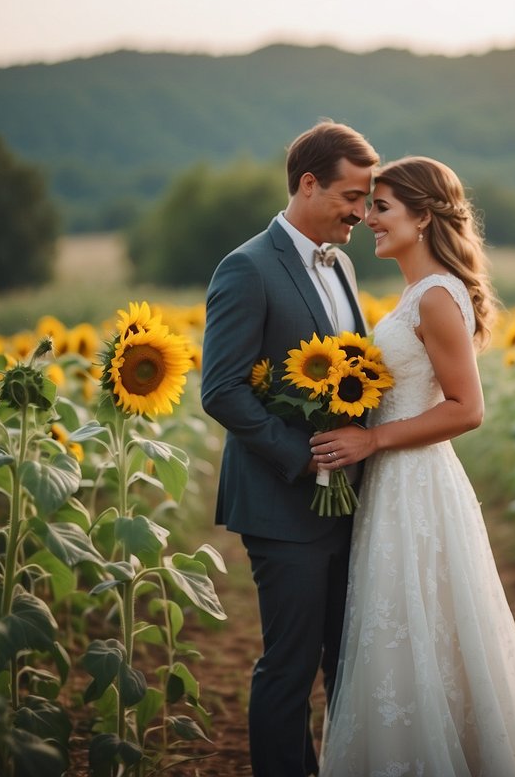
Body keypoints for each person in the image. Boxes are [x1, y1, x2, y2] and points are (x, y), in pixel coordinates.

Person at [309, 157, 515, 776]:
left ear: (423, 217)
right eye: (368, 205)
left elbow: (467, 409)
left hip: (416, 482)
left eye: (382, 207)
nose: (367, 217)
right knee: (407, 633)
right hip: (394, 481)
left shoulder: (434, 297)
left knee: (421, 625)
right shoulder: (417, 293)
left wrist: (372, 442)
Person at [200, 120, 379, 777]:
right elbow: (220, 390)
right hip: (281, 503)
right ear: (308, 184)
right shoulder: (246, 268)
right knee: (290, 668)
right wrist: (303, 455)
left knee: (346, 662)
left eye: (366, 200)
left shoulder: (344, 265)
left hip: (348, 503)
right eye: (352, 197)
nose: (362, 213)